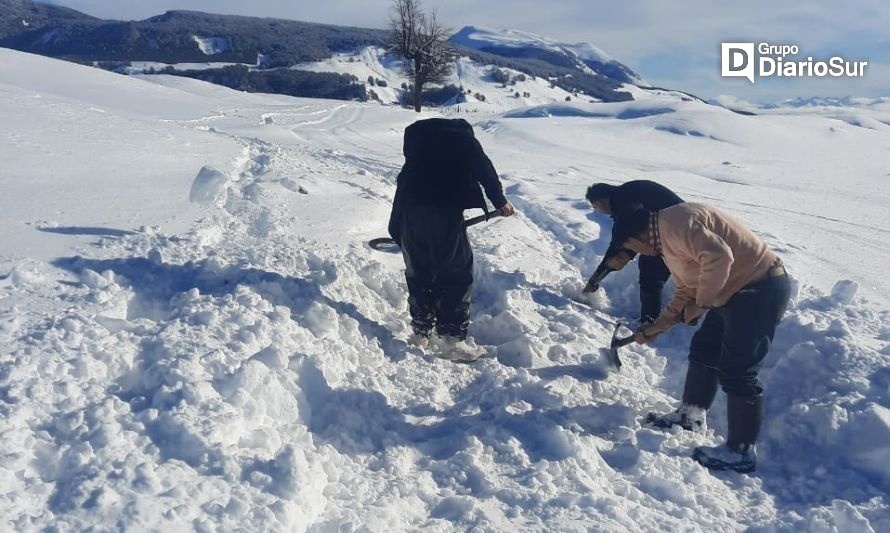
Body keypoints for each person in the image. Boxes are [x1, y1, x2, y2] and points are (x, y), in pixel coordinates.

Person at [611, 202, 790, 473]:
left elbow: (720, 257)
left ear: (637, 238)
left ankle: (741, 452)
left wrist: (704, 303)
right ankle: (690, 416)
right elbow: (686, 290)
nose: (637, 254)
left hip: (760, 289)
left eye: (633, 248)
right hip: (734, 292)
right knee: (704, 349)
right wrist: (657, 327)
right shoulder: (666, 240)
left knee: (738, 370)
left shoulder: (677, 224)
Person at [388, 118, 515, 360]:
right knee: (456, 271)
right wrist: (500, 202)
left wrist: (397, 231)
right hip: (444, 210)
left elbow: (402, 187)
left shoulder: (418, 147)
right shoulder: (462, 138)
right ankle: (452, 340)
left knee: (419, 270)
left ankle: (421, 331)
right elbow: (483, 168)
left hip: (410, 212)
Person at [584, 181, 683, 324]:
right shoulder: (626, 195)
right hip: (674, 228)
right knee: (649, 268)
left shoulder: (624, 200)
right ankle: (651, 319)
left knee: (651, 273)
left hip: (676, 232)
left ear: (600, 201)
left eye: (594, 206)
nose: (597, 210)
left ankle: (650, 322)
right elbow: (628, 238)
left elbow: (622, 238)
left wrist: (595, 278)